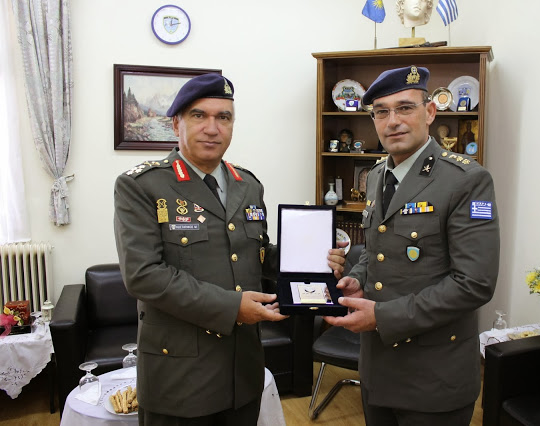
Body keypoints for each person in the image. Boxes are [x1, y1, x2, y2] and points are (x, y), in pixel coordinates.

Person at [114, 73, 347, 426]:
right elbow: (143, 276)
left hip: (243, 370)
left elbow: (258, 254)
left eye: (223, 117)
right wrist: (232, 307)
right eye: (199, 115)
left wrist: (316, 259)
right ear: (176, 124)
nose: (212, 128)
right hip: (179, 375)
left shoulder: (247, 185)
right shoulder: (142, 186)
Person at [324, 65, 500, 426]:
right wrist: (358, 278)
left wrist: (382, 316)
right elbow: (377, 249)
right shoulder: (376, 174)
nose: (393, 121)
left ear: (430, 112)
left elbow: (474, 283)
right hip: (377, 369)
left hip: (434, 377)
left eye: (405, 108)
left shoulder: (466, 180)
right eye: (381, 112)